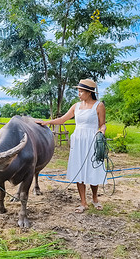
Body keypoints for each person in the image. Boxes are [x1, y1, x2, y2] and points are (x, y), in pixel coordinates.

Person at [37, 79, 106, 213]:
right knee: (79, 169)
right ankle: (83, 202)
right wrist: (47, 122)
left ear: (89, 92)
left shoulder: (99, 106)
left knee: (93, 168)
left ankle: (95, 198)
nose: (79, 94)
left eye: (81, 91)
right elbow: (62, 119)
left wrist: (102, 131)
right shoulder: (76, 106)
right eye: (78, 91)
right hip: (78, 140)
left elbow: (102, 124)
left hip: (92, 139)